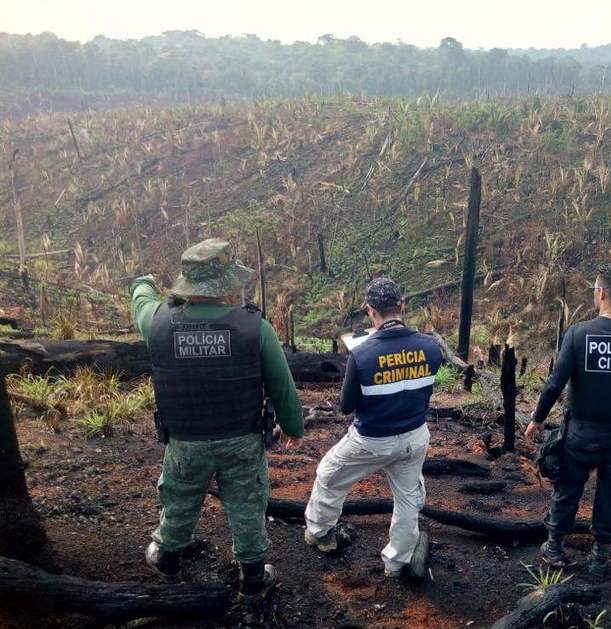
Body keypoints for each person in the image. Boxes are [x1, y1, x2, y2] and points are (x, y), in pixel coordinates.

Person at [130, 238, 304, 599]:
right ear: (226, 285)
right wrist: (293, 427)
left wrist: (141, 282)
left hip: (184, 441)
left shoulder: (158, 322)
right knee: (247, 502)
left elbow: (141, 303)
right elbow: (283, 388)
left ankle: (167, 558)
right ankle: (254, 575)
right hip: (241, 439)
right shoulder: (255, 328)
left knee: (179, 496)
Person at [524, 263, 611, 577]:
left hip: (580, 434)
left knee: (569, 486)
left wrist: (537, 419)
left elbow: (554, 384)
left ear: (601, 293)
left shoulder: (578, 334)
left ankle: (555, 547)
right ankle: (600, 556)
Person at [304, 278, 443, 577]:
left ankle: (318, 531)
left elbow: (346, 406)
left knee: (329, 474)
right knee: (408, 500)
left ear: (370, 310)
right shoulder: (431, 347)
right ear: (402, 305)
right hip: (415, 436)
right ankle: (397, 562)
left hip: (371, 439)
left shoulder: (362, 354)